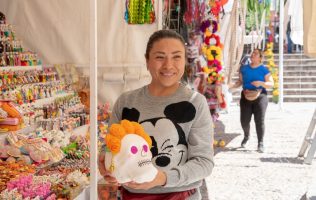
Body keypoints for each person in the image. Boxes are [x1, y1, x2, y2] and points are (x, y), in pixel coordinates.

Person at [98, 29, 214, 199]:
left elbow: (204, 163)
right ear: (147, 61)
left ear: (185, 61)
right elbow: (111, 145)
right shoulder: (126, 102)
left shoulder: (195, 102)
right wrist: (106, 162)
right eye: (160, 57)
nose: (168, 65)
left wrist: (163, 178)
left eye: (176, 57)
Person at [230, 49, 273, 153]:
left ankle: (260, 143)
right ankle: (246, 135)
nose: (252, 54)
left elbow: (271, 84)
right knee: (244, 121)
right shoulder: (244, 68)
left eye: (255, 53)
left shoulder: (264, 69)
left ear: (260, 58)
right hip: (245, 96)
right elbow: (240, 82)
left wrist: (261, 83)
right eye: (252, 53)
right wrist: (231, 86)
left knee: (259, 120)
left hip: (261, 96)